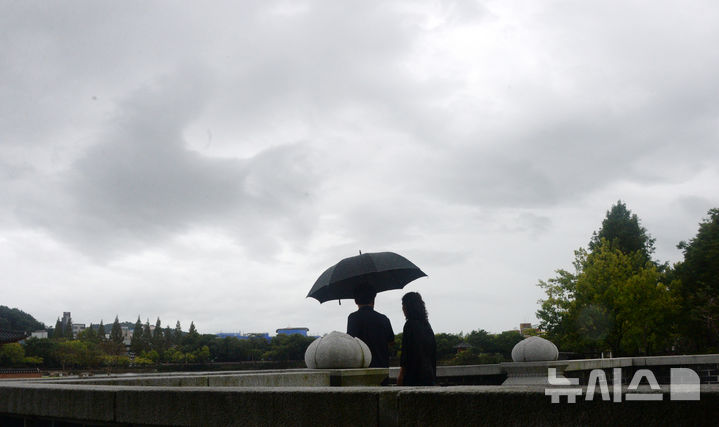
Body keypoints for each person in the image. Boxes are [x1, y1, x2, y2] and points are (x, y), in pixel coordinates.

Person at [346, 282, 395, 368]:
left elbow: (350, 342)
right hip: (382, 368)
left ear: (355, 301)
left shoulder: (353, 318)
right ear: (373, 299)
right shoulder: (384, 319)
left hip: (360, 368)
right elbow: (391, 341)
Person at [397, 292, 436, 386]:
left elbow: (406, 354)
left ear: (407, 307)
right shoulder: (427, 325)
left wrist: (401, 376)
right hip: (428, 375)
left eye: (403, 305)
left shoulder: (409, 325)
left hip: (413, 376)